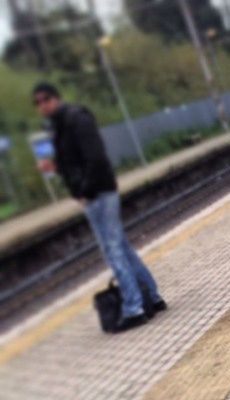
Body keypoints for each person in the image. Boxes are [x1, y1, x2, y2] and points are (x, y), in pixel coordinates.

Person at [32, 82, 166, 333]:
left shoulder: (77, 119)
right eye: (37, 102)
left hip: (98, 194)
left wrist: (84, 191)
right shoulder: (59, 126)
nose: (42, 105)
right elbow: (73, 162)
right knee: (122, 248)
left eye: (45, 99)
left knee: (113, 250)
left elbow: (95, 158)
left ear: (56, 98)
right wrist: (55, 167)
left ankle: (134, 308)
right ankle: (154, 297)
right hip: (95, 193)